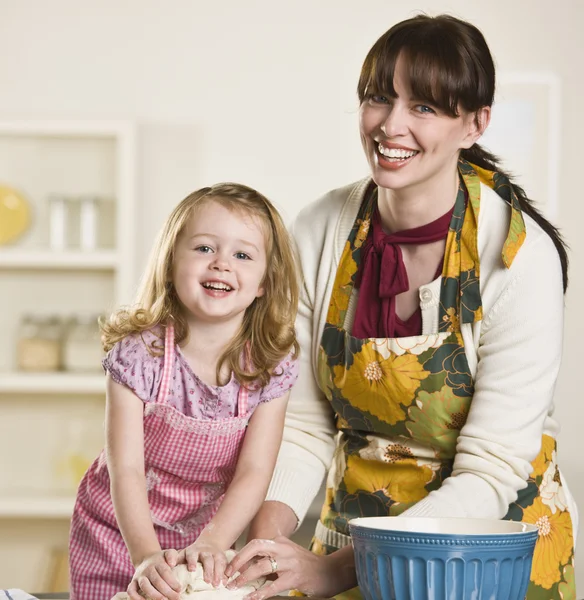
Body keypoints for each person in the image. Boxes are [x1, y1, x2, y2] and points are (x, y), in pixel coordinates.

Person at [226, 14, 578, 600]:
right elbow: (306, 425)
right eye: (378, 98)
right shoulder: (319, 231)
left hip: (489, 553)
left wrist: (337, 572)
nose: (391, 126)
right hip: (352, 531)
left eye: (425, 108)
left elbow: (490, 467)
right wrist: (270, 547)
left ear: (475, 123)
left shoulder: (519, 257)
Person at [68, 183, 300, 600]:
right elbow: (127, 469)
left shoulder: (269, 367)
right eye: (204, 249)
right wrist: (144, 556)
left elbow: (254, 473)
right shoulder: (139, 354)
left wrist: (213, 543)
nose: (222, 265)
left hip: (203, 538)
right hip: (116, 533)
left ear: (266, 281)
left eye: (243, 255)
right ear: (172, 261)